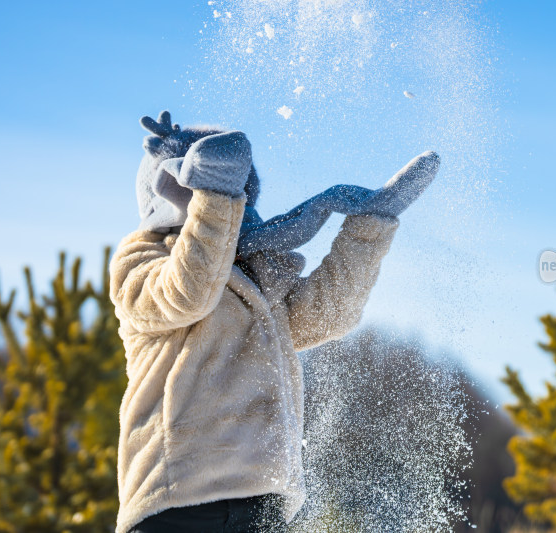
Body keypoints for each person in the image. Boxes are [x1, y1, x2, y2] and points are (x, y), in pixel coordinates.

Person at [109, 112, 440, 533]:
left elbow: (326, 314)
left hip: (264, 500)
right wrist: (215, 198)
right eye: (211, 188)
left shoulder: (257, 273)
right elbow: (188, 292)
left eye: (235, 191)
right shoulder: (141, 260)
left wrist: (369, 228)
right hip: (179, 497)